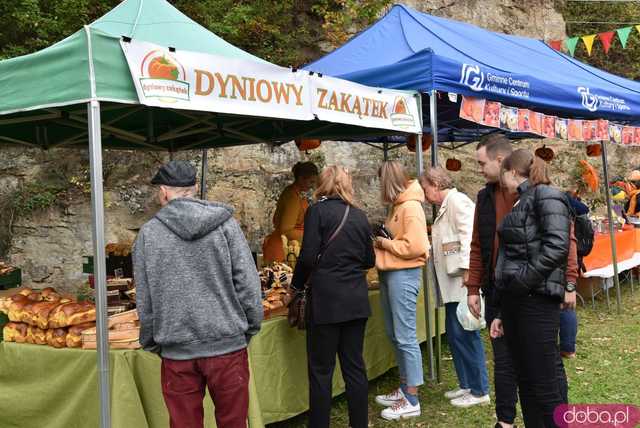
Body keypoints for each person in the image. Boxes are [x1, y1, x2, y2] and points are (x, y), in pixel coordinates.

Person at [132, 160, 262, 428]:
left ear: (165, 192)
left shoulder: (148, 234)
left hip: (177, 348)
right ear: (194, 188)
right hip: (226, 344)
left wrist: (152, 339)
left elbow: (144, 297)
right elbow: (248, 283)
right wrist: (249, 325)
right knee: (234, 423)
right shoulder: (226, 225)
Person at [491, 149, 575, 428]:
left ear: (512, 172)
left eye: (502, 174)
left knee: (544, 383)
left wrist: (522, 281)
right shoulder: (522, 200)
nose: (501, 182)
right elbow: (512, 256)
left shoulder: (547, 195)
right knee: (526, 379)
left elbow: (557, 246)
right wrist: (503, 308)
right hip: (517, 302)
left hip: (536, 302)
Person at [290, 166, 375, 428]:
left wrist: (294, 287)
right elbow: (369, 259)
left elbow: (306, 257)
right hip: (355, 301)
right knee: (354, 368)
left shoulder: (317, 211)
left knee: (321, 371)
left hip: (326, 301)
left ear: (324, 184)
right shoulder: (360, 216)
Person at [419, 167, 490, 408]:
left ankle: (480, 390)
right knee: (455, 335)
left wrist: (470, 273)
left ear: (436, 184)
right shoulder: (445, 206)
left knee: (466, 334)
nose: (425, 194)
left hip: (462, 282)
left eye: (426, 188)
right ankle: (467, 384)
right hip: (451, 282)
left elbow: (471, 236)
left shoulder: (458, 202)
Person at [464, 134, 520, 428]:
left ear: (500, 160)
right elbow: (476, 244)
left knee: (536, 358)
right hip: (495, 289)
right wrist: (473, 288)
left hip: (528, 291)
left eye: (482, 163)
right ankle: (505, 420)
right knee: (502, 357)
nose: (479, 170)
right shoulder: (484, 197)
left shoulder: (532, 191)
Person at [373, 161, 430, 421]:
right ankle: (406, 388)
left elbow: (417, 247)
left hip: (403, 275)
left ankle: (412, 398)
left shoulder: (410, 207)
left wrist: (385, 242)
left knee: (405, 336)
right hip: (391, 273)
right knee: (396, 334)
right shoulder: (400, 206)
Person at [263, 161, 319, 263]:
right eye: (311, 182)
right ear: (301, 178)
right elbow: (286, 230)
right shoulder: (292, 196)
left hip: (287, 248)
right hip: (282, 251)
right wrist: (312, 237)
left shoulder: (294, 193)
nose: (312, 186)